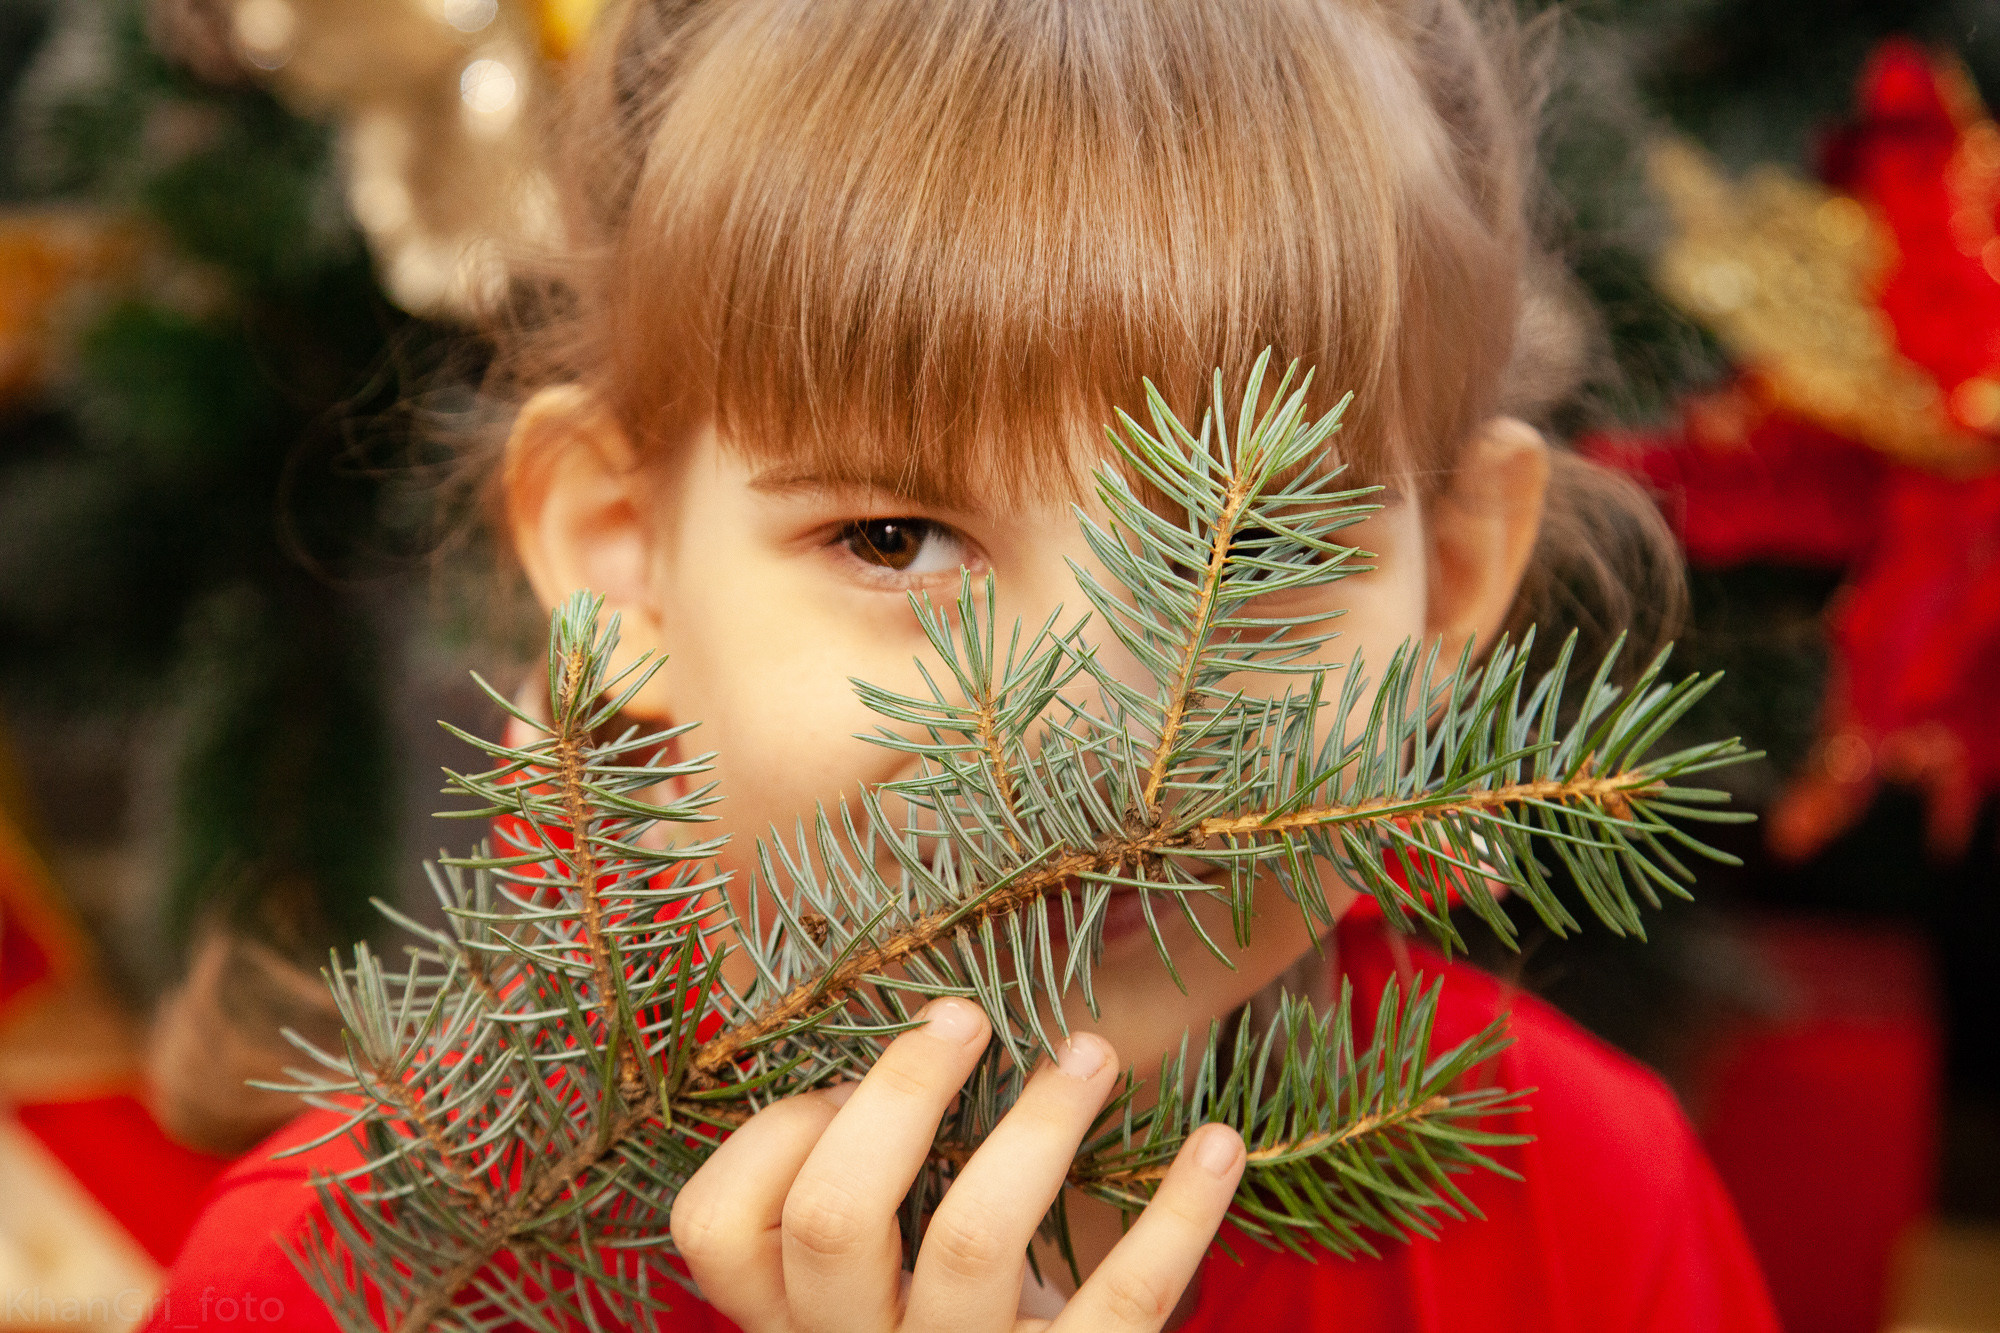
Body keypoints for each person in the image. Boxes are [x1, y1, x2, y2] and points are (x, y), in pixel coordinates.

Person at [146, 0, 1783, 1328]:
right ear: (622, 565)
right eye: (896, 540)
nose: (1100, 728)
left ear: (1455, 581)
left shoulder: (1578, 1197)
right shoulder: (343, 1288)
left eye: (1250, 553)